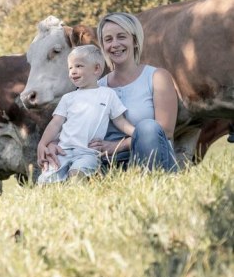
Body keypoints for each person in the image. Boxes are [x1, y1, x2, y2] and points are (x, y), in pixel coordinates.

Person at [40, 12, 179, 172]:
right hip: (106, 164)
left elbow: (165, 131)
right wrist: (52, 144)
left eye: (121, 37)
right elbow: (75, 127)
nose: (115, 44)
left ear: (134, 40)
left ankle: (148, 178)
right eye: (108, 39)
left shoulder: (156, 77)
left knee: (148, 127)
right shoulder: (95, 86)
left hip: (151, 159)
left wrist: (118, 145)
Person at [36, 45, 134, 183]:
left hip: (88, 152)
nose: (73, 71)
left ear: (96, 69)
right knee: (46, 180)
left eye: (79, 66)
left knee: (77, 175)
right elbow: (55, 124)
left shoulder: (107, 94)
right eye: (70, 68)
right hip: (63, 151)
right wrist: (42, 144)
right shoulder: (68, 98)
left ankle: (77, 184)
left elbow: (120, 121)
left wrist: (137, 134)